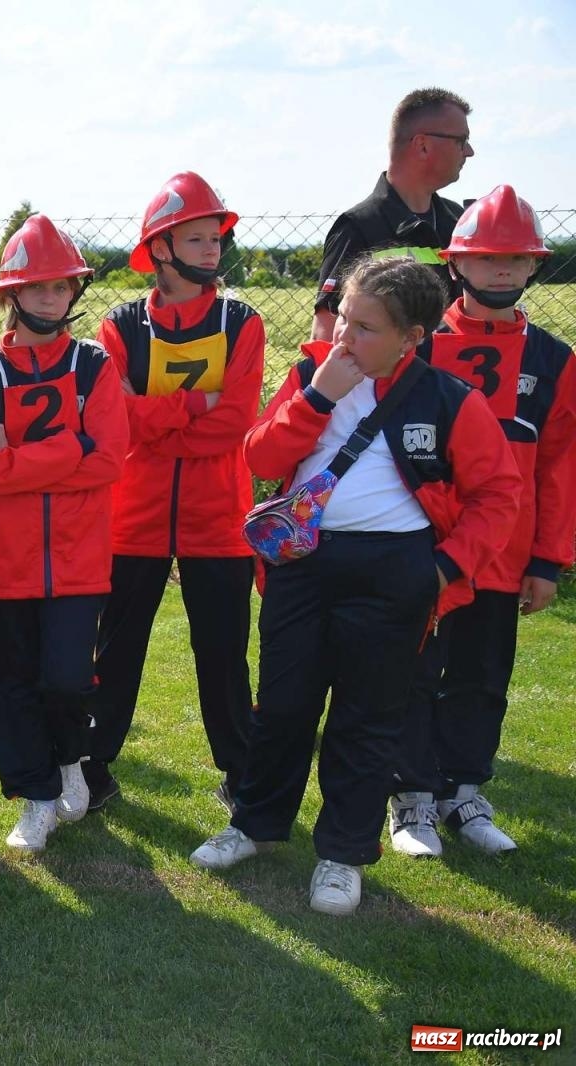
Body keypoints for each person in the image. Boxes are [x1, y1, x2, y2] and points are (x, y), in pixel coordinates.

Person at [191, 256, 517, 917]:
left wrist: (443, 570)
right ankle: (254, 824)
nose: (345, 338)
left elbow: (499, 494)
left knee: (365, 720)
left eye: (366, 328)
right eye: (343, 318)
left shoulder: (448, 399)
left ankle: (342, 854)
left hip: (398, 572)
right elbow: (260, 458)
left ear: (411, 337)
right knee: (282, 705)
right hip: (304, 566)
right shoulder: (313, 373)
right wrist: (318, 398)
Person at [391, 186, 576, 857]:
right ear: (457, 264)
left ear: (534, 267)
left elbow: (558, 468)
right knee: (414, 673)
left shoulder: (555, 360)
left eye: (516, 258)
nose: (501, 269)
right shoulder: (418, 345)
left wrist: (547, 561)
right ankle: (410, 799)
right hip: (426, 553)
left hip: (504, 555)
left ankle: (463, 791)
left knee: (481, 678)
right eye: (487, 256)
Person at [90, 173, 265, 813]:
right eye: (197, 237)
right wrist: (196, 405)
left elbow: (237, 422)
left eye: (215, 236)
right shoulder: (118, 326)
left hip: (219, 517)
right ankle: (93, 767)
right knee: (116, 648)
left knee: (223, 654)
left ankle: (241, 776)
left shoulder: (243, 321)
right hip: (132, 517)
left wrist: (156, 416)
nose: (213, 248)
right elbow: (116, 418)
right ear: (160, 248)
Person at [0, 214, 128, 852]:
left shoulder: (94, 367)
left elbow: (111, 458)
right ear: (12, 295)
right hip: (5, 563)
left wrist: (20, 455)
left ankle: (68, 761)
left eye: (62, 287)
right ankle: (33, 798)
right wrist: (69, 447)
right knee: (11, 684)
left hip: (80, 560)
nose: (52, 299)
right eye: (39, 288)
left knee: (65, 679)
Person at [312, 88, 474, 342]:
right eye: (461, 141)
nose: (469, 152)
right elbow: (326, 333)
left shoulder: (460, 222)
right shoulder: (359, 226)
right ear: (422, 145)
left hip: (453, 381)